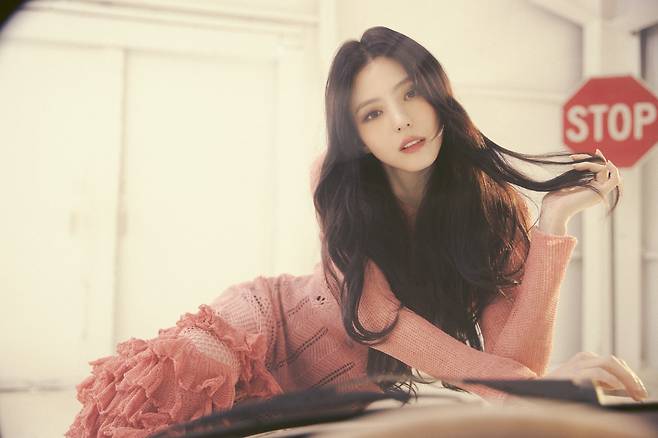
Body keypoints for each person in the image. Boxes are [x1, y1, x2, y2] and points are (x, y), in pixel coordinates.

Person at [65, 26, 647, 437]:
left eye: (410, 93)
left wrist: (552, 227)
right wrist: (537, 387)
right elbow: (376, 318)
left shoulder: (492, 211)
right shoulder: (340, 185)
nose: (401, 119)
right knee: (163, 397)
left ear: (438, 94)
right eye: (372, 113)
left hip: (335, 396)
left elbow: (512, 365)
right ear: (358, 137)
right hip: (262, 328)